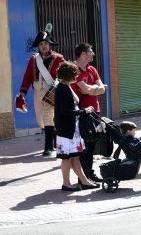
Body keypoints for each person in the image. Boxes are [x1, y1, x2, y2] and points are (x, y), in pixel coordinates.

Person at [17, 30, 65, 156]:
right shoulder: (34, 59)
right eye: (41, 44)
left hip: (52, 92)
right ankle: (53, 141)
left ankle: (48, 147)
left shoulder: (58, 58)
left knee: (48, 118)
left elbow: (63, 75)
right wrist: (22, 93)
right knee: (41, 119)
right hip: (38, 93)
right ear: (38, 46)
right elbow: (27, 77)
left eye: (45, 43)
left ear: (50, 45)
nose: (43, 46)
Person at [53, 61, 97, 191]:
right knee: (67, 158)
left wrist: (83, 110)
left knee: (75, 157)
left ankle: (84, 181)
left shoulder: (65, 86)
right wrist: (84, 111)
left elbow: (71, 108)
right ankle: (66, 184)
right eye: (75, 73)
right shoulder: (63, 88)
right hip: (67, 129)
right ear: (69, 75)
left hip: (71, 128)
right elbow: (65, 111)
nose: (77, 76)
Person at [72, 44, 107, 182]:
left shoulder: (92, 69)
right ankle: (83, 177)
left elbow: (102, 89)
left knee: (92, 144)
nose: (93, 54)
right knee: (83, 146)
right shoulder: (74, 70)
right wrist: (95, 88)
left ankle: (89, 173)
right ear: (83, 54)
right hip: (82, 112)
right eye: (90, 52)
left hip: (95, 110)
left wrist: (93, 89)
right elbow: (85, 89)